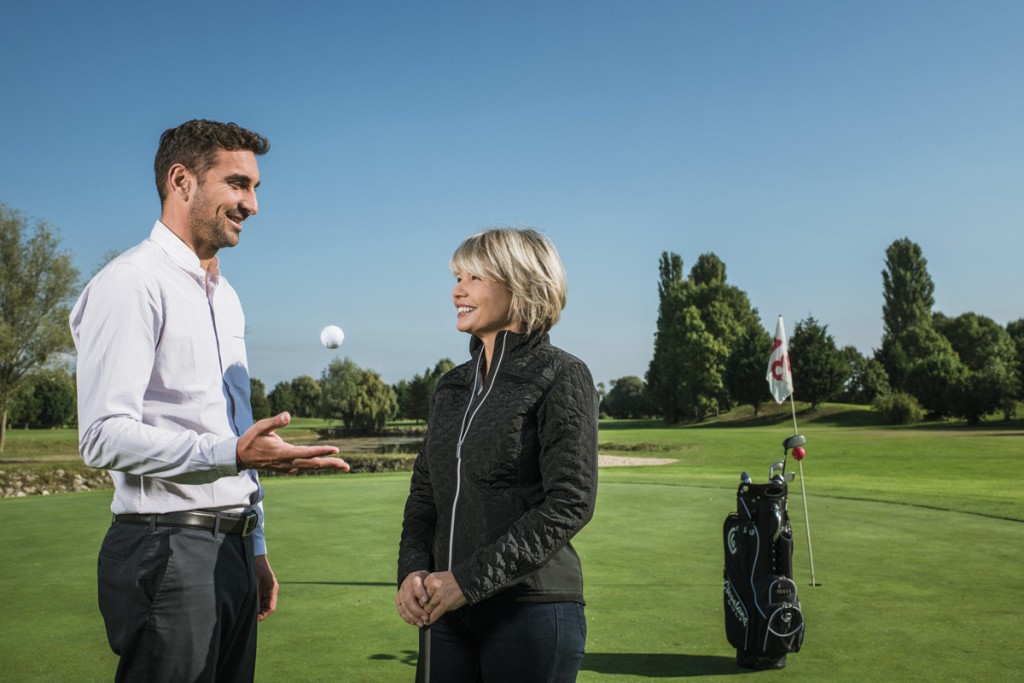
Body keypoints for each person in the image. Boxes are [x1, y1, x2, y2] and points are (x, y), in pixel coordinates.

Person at [70, 119, 350, 683]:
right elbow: (100, 434)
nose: (252, 204)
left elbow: (235, 426)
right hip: (167, 548)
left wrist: (257, 543)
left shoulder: (226, 296)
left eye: (255, 189)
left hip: (231, 548)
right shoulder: (131, 283)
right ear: (182, 181)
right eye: (238, 184)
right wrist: (233, 455)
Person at [396, 228, 599, 682]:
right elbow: (425, 493)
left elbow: (570, 502)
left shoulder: (561, 375)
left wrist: (466, 581)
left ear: (521, 285)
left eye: (474, 277)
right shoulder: (451, 387)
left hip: (529, 610)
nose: (457, 290)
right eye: (457, 276)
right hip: (445, 613)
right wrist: (411, 570)